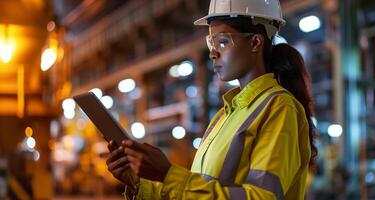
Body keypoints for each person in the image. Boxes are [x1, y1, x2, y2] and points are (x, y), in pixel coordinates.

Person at [106, 0, 318, 199]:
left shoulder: (279, 108)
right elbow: (198, 192)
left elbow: (261, 196)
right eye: (211, 42)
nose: (213, 53)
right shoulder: (223, 116)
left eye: (223, 42)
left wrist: (169, 175)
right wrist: (138, 184)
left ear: (255, 42)